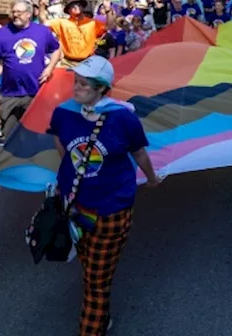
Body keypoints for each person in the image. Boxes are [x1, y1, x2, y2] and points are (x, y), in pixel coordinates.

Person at [48, 56, 158, 336]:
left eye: (84, 84)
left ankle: (93, 326)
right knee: (91, 269)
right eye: (76, 81)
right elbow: (59, 141)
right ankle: (100, 310)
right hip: (73, 206)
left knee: (96, 281)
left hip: (111, 210)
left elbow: (139, 152)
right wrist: (71, 174)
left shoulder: (123, 117)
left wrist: (152, 178)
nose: (77, 88)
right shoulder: (63, 112)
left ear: (102, 88)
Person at [0, 0, 61, 138]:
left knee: (36, 134)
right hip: (10, 93)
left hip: (36, 91)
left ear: (29, 14)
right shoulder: (2, 33)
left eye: (19, 12)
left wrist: (49, 68)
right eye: (13, 12)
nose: (15, 15)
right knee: (10, 134)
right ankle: (12, 159)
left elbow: (56, 50)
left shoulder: (42, 32)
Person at [50, 0, 107, 65]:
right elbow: (44, 22)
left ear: (82, 8)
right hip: (67, 63)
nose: (76, 7)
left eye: (79, 5)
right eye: (73, 6)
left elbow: (109, 26)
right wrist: (42, 5)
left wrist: (108, 10)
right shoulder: (63, 23)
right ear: (68, 10)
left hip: (87, 63)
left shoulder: (92, 23)